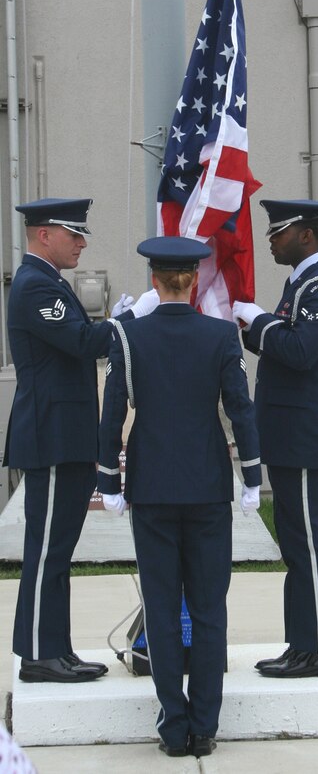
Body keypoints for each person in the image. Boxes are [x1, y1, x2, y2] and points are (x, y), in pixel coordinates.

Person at [97, 236, 262, 758]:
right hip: (208, 487)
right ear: (193, 281)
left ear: (154, 280)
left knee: (164, 610)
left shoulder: (128, 335)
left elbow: (111, 414)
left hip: (151, 488)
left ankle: (173, 727)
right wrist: (252, 476)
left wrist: (108, 483)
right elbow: (240, 408)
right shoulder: (219, 336)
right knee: (210, 609)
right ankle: (205, 727)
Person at [4, 197, 158, 684]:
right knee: (46, 550)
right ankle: (36, 654)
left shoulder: (48, 283)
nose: (82, 242)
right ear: (44, 234)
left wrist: (114, 322)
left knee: (59, 550)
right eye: (74, 234)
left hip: (65, 435)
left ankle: (56, 649)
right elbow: (84, 342)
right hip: (50, 435)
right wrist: (127, 321)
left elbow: (80, 337)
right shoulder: (33, 286)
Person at [233, 198, 318, 679]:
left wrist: (258, 320)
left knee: (307, 542)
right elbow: (282, 342)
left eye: (278, 231)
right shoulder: (301, 283)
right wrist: (249, 325)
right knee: (294, 542)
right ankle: (303, 644)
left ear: (306, 234)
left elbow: (301, 351)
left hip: (310, 434)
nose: (270, 239)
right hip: (292, 434)